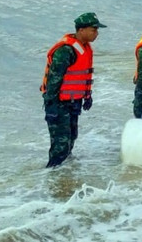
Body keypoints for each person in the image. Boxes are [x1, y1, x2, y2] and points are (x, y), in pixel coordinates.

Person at [40, 12, 106, 168]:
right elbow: (54, 79)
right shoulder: (66, 50)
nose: (96, 33)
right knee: (60, 145)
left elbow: (81, 76)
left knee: (71, 138)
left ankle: (65, 177)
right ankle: (52, 176)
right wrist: (52, 105)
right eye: (93, 29)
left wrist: (87, 96)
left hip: (73, 101)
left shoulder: (84, 48)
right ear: (81, 30)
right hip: (59, 103)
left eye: (97, 30)